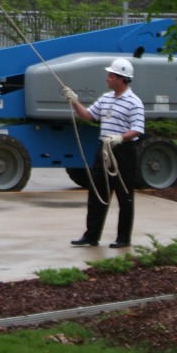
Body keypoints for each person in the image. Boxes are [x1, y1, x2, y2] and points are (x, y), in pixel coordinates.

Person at [63, 57, 144, 248]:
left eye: (110, 75)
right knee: (96, 193)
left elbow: (138, 129)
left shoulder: (134, 102)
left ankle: (123, 238)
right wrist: (74, 101)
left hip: (123, 151)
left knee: (125, 196)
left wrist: (120, 138)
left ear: (121, 79)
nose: (107, 78)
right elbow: (88, 115)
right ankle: (92, 236)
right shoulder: (106, 98)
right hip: (104, 150)